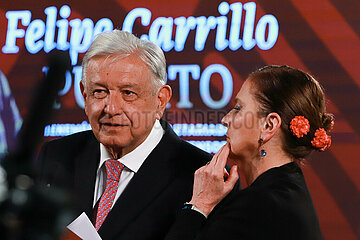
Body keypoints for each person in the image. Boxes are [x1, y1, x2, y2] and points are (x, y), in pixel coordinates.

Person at [37, 30, 214, 240]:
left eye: (128, 93)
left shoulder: (201, 178)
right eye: (99, 92)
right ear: (84, 95)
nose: (111, 108)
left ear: (161, 100)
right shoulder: (57, 155)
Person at [166, 65, 331, 240]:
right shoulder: (285, 192)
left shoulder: (259, 205)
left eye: (238, 108)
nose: (225, 119)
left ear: (268, 126)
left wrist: (199, 204)